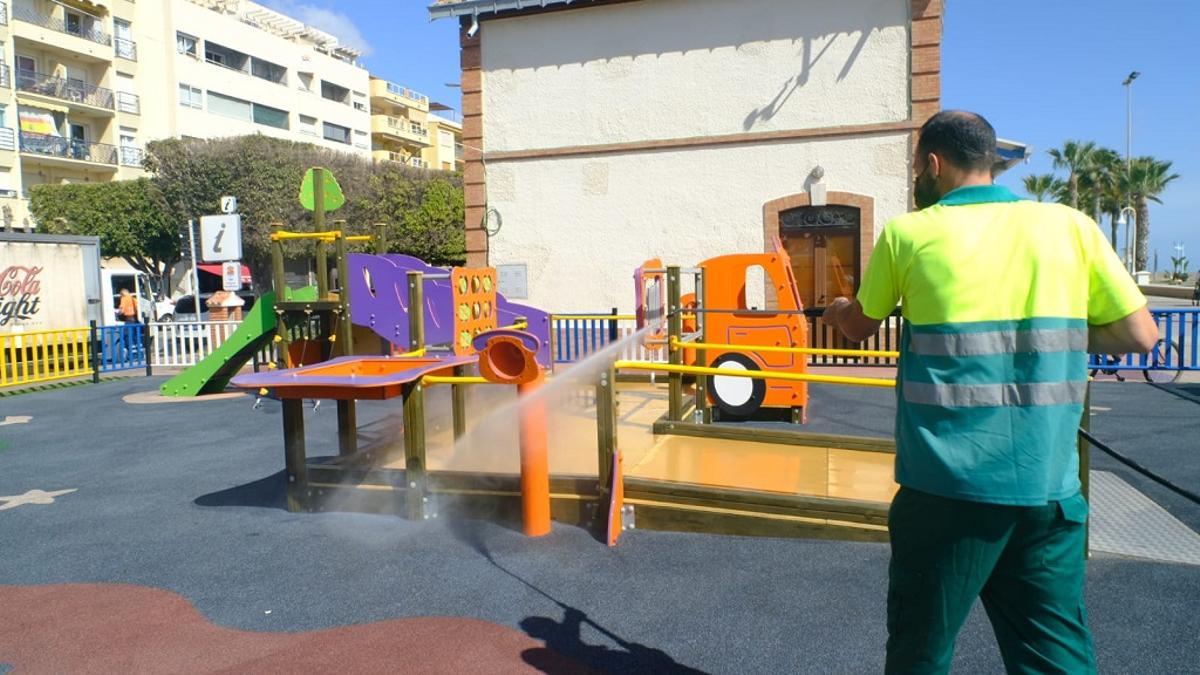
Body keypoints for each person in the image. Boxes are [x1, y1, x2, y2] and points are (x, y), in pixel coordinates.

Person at [823, 110, 1158, 674]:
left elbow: (859, 327)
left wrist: (836, 311)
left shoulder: (911, 232)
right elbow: (1140, 334)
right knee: (1053, 655)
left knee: (920, 652)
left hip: (944, 493)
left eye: (916, 167)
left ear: (933, 163)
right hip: (1048, 490)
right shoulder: (1070, 226)